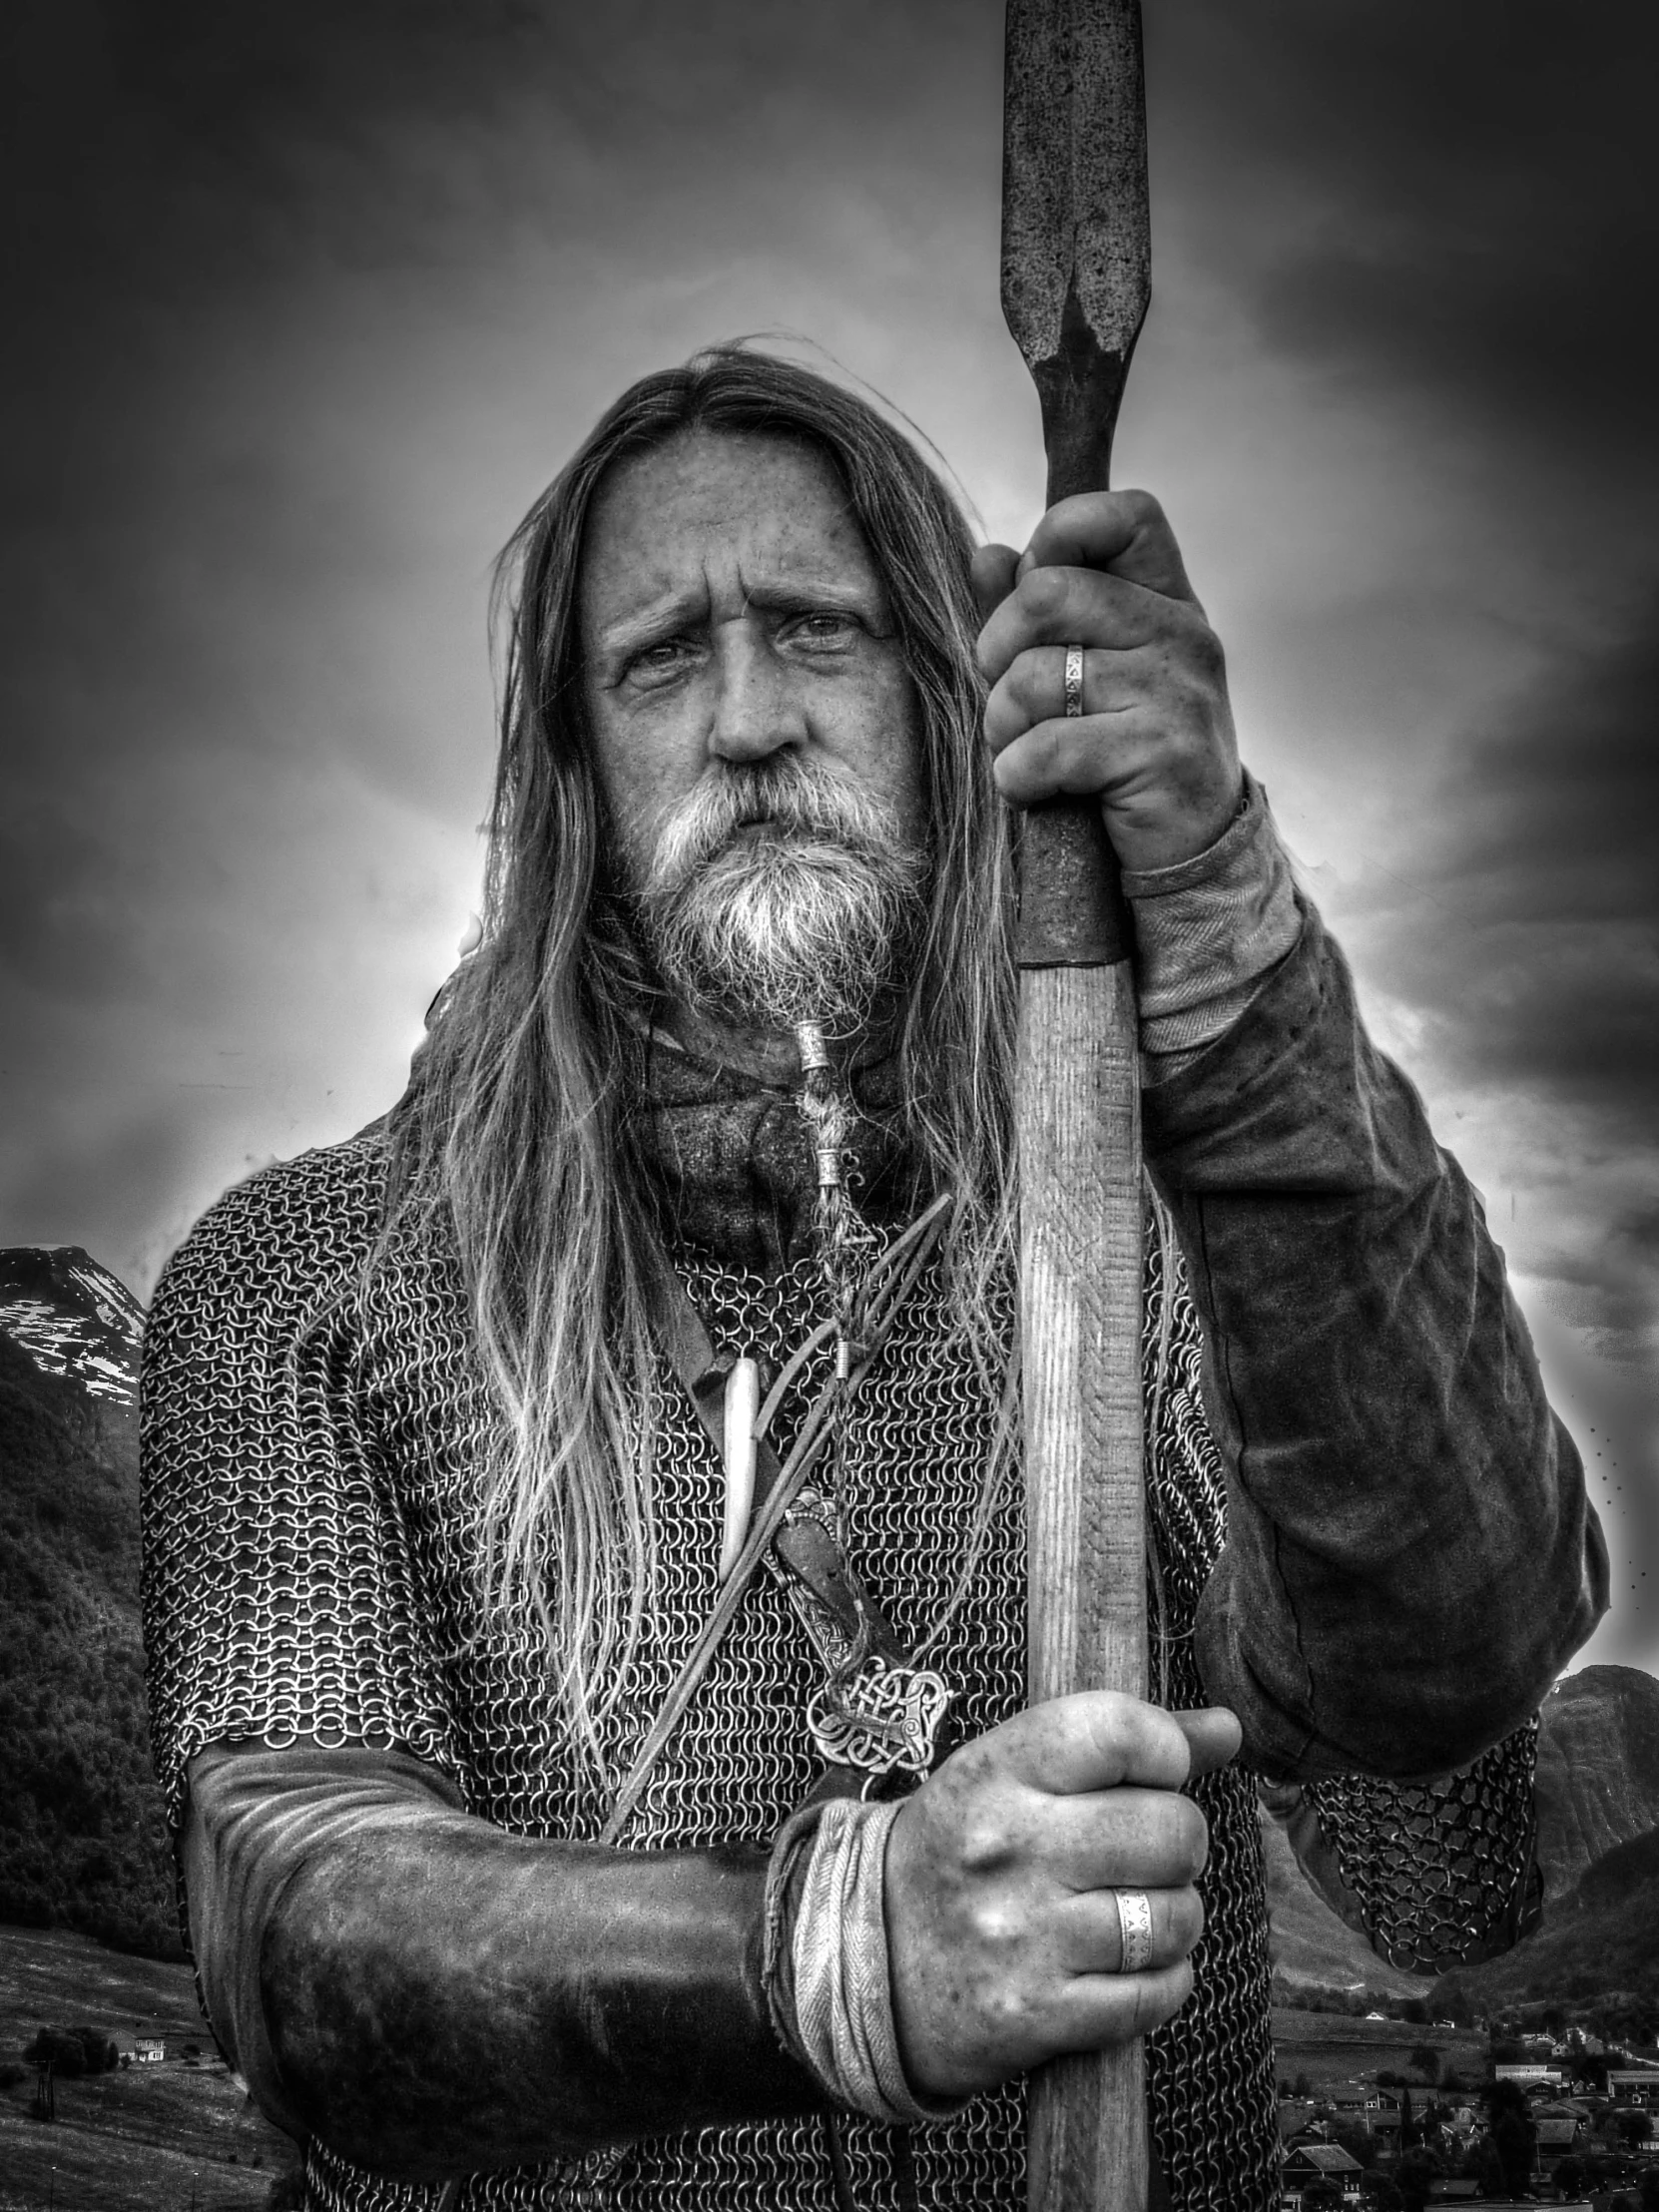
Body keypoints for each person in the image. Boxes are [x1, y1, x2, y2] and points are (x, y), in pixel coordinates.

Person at [140, 346, 1607, 2212]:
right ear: (577, 764)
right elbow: (304, 1944)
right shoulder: (314, 1288)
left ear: (936, 698)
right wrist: (846, 1952)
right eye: (662, 659)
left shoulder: (1151, 1253)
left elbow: (1442, 1716)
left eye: (816, 631)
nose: (749, 719)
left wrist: (1235, 966)